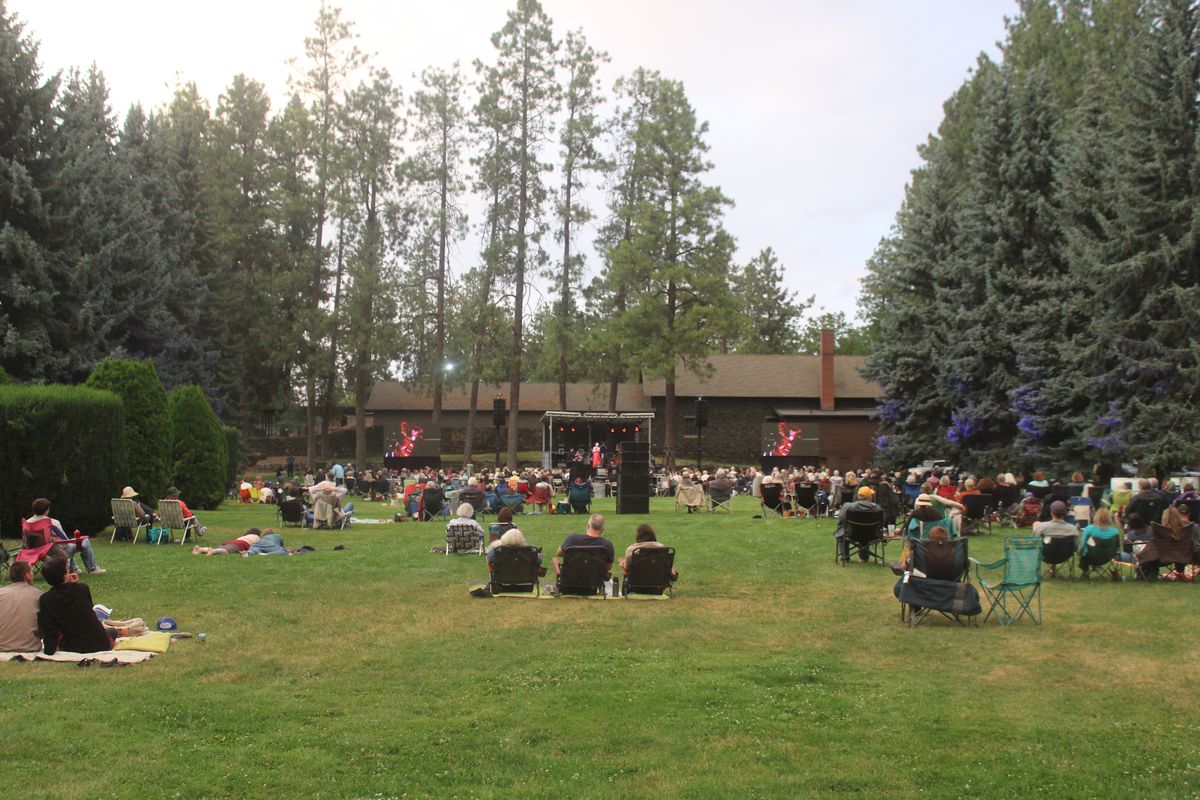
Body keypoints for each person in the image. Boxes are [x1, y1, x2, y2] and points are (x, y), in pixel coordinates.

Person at [37, 558, 111, 655]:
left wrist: (49, 650)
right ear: (64, 575)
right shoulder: (82, 589)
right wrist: (75, 584)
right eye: (67, 571)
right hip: (99, 643)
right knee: (112, 632)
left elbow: (49, 628)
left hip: (73, 645)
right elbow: (85, 611)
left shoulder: (46, 599)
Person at [25, 498, 104, 575]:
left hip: (36, 554)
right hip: (55, 554)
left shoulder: (27, 523)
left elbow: (26, 542)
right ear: (46, 510)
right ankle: (92, 569)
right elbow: (65, 541)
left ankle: (74, 569)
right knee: (83, 541)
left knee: (61, 545)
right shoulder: (52, 522)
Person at [0, 561, 42, 652]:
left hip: (2, 646)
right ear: (27, 575)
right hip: (30, 646)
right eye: (31, 572)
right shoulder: (38, 595)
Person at [835, 485, 884, 562]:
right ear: (869, 497)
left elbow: (841, 518)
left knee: (842, 529)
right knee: (865, 532)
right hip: (871, 534)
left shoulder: (848, 506)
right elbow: (882, 521)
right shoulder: (877, 508)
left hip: (851, 533)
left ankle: (845, 556)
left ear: (858, 496)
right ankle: (864, 558)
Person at [1079, 508, 1121, 578]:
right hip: (1108, 557)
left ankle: (1085, 571)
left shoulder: (1089, 529)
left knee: (1085, 551)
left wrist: (1079, 553)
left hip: (1091, 557)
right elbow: (1117, 547)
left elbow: (1082, 546)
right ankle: (1096, 566)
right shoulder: (1115, 532)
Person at [193, 530, 262, 556]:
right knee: (226, 551)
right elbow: (258, 546)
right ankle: (213, 551)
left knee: (222, 548)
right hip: (240, 544)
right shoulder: (257, 537)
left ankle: (201, 549)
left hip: (232, 542)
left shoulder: (243, 536)